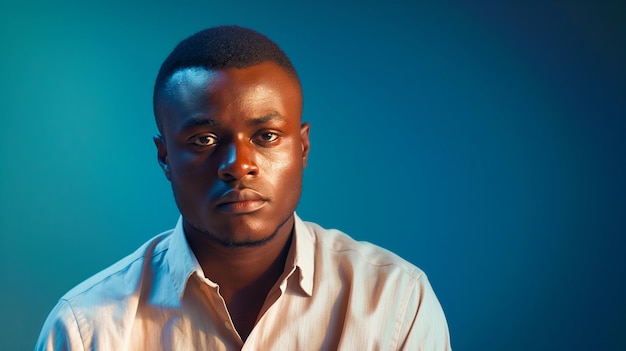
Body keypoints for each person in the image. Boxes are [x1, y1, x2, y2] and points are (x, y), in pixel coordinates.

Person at [35, 25, 451, 350]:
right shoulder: (85, 329)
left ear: (302, 147)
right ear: (164, 158)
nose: (238, 167)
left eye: (267, 136)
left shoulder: (395, 300)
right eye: (204, 140)